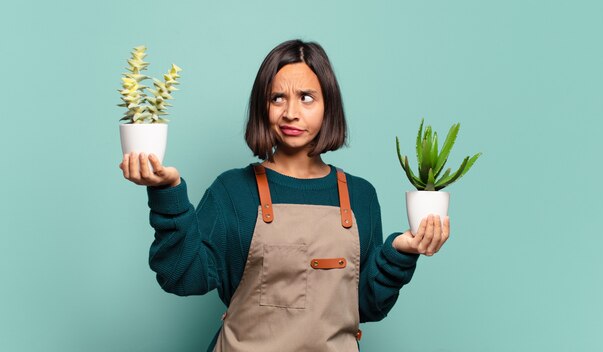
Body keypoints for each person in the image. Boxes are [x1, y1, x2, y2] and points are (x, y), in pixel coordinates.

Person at [119, 39, 450, 352]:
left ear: (328, 106)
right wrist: (168, 193)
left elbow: (364, 305)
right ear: (263, 107)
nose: (291, 112)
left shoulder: (361, 196)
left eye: (307, 97)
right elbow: (182, 277)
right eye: (277, 98)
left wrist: (400, 253)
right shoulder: (232, 192)